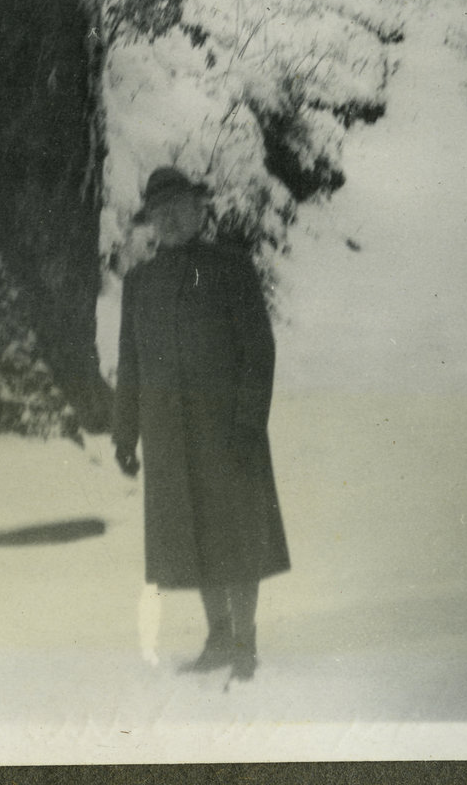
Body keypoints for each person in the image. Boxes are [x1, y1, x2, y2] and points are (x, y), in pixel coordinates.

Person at [113, 166, 290, 681]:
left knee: (236, 537)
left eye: (178, 208)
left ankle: (243, 642)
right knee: (196, 539)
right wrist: (125, 435)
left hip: (228, 432)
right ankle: (217, 639)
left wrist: (248, 424)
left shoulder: (232, 268)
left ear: (198, 210)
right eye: (159, 212)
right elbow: (131, 365)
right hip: (170, 436)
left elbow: (260, 352)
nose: (169, 219)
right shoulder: (139, 283)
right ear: (150, 221)